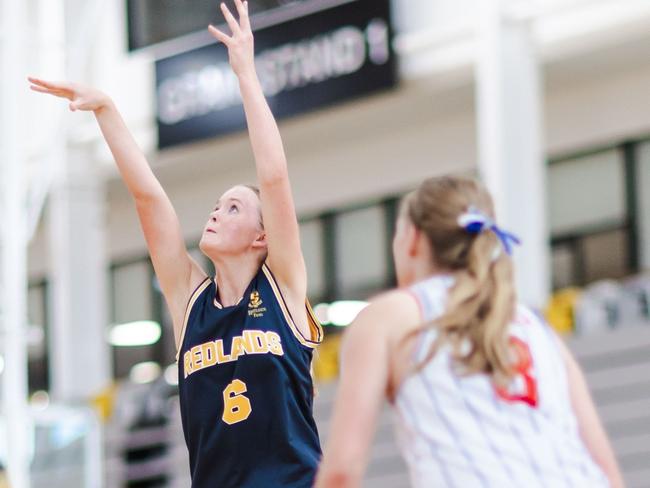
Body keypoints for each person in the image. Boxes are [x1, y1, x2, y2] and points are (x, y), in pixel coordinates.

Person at [29, 1, 323, 486]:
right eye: (216, 203)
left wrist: (246, 74)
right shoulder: (191, 301)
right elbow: (149, 201)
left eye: (233, 208)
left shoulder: (283, 288)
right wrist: (107, 110)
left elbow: (273, 176)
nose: (215, 211)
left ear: (262, 235)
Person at [315, 176, 624, 488]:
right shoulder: (535, 325)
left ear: (413, 240)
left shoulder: (392, 315)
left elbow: (343, 471)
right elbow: (608, 474)